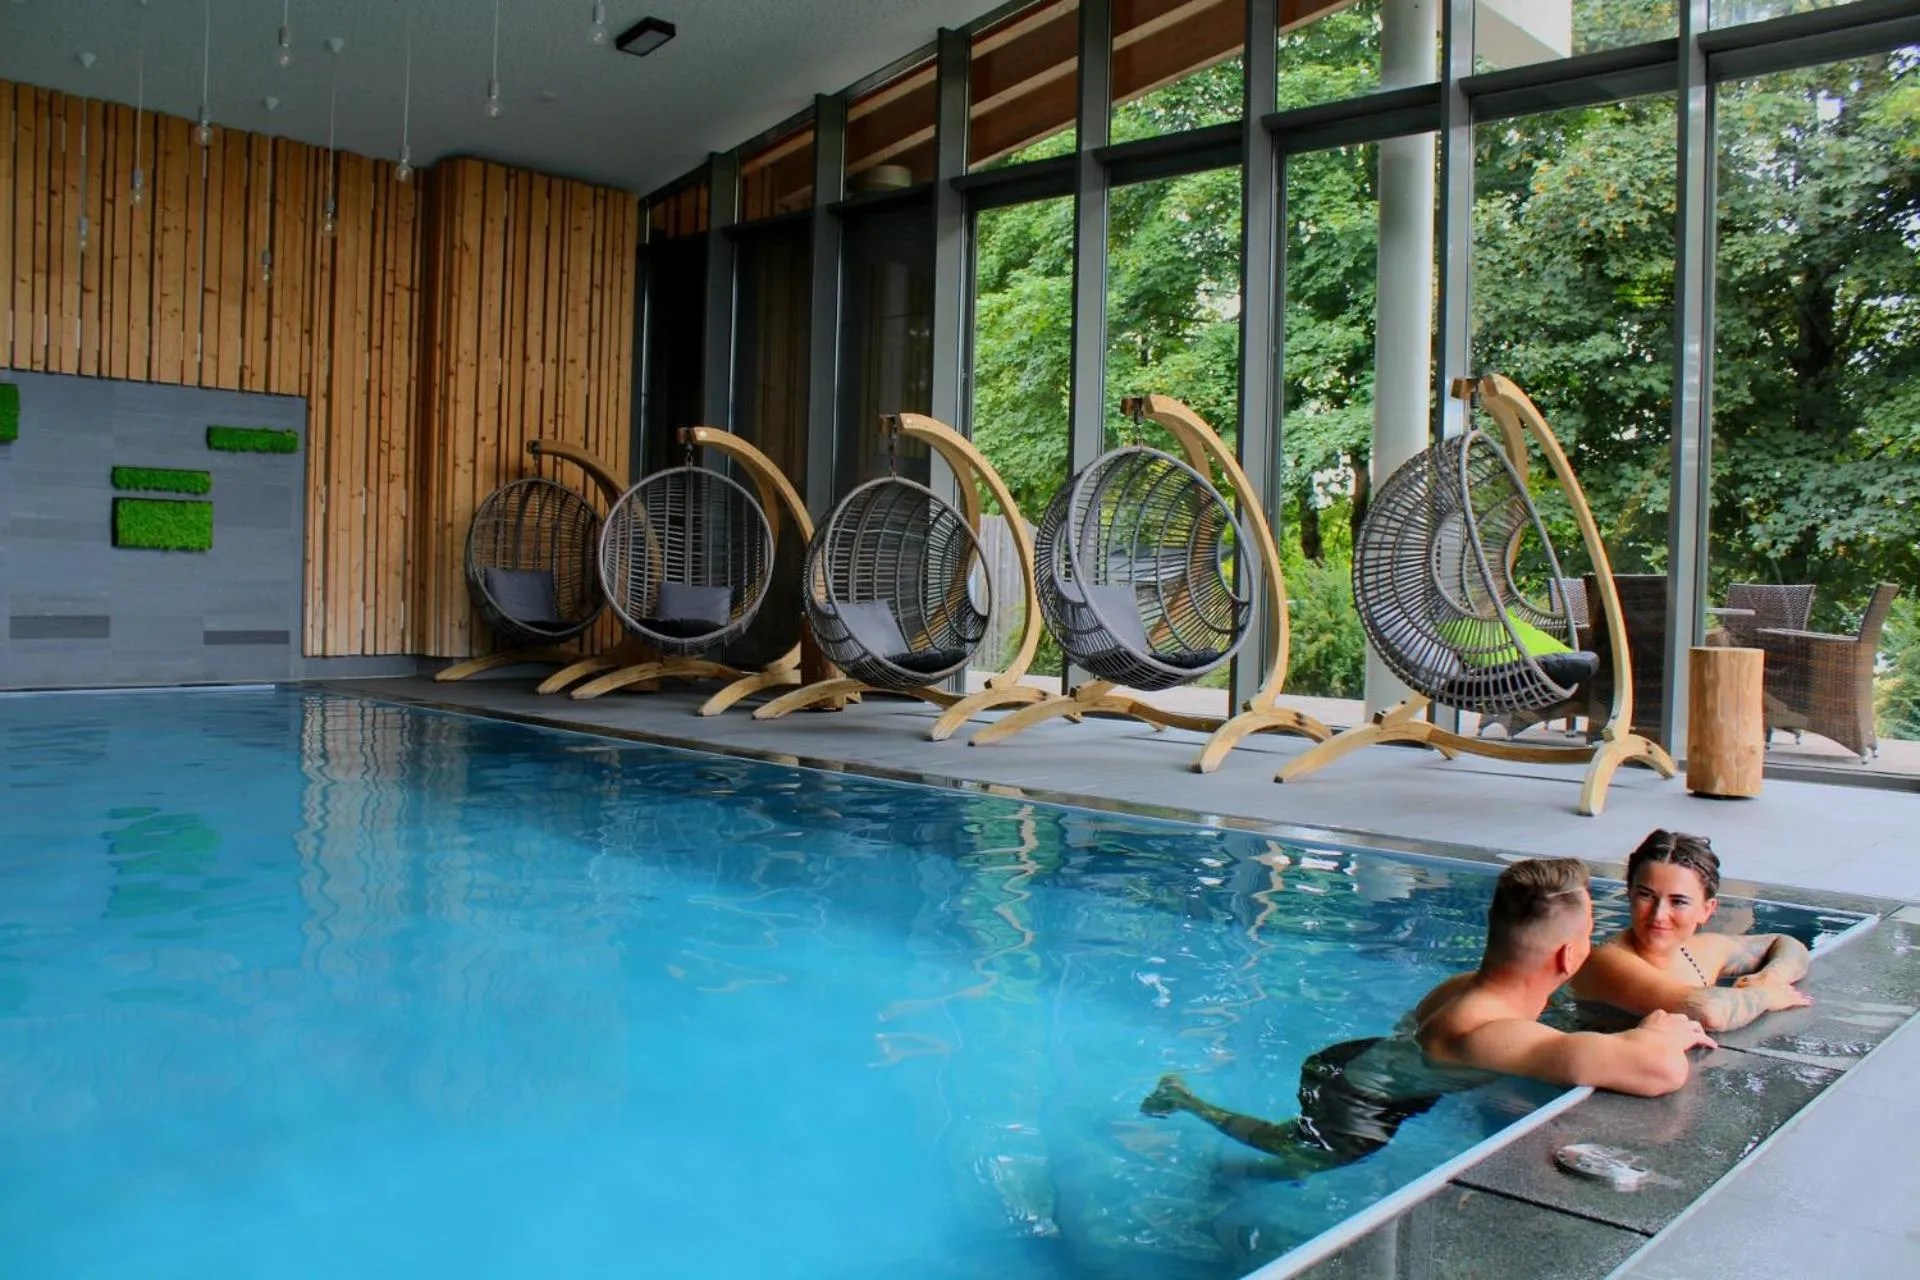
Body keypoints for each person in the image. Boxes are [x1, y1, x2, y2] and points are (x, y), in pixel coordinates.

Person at [1139, 856, 1713, 1178]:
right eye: (1589, 934)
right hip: (1359, 1103)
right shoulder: (1495, 1034)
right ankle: (1186, 1101)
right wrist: (1654, 1030)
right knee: (1301, 1158)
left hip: (1356, 1061)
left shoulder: (1465, 988)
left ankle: (1194, 1106)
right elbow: (1661, 1071)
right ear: (1568, 956)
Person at [1570, 829, 1812, 1032]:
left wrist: (1770, 977)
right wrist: (1767, 996)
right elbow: (1708, 1013)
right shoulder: (1606, 961)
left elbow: (1786, 944)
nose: (1658, 914)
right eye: (1646, 896)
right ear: (1630, 895)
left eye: (1678, 902)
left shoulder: (1701, 951)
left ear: (1706, 910)